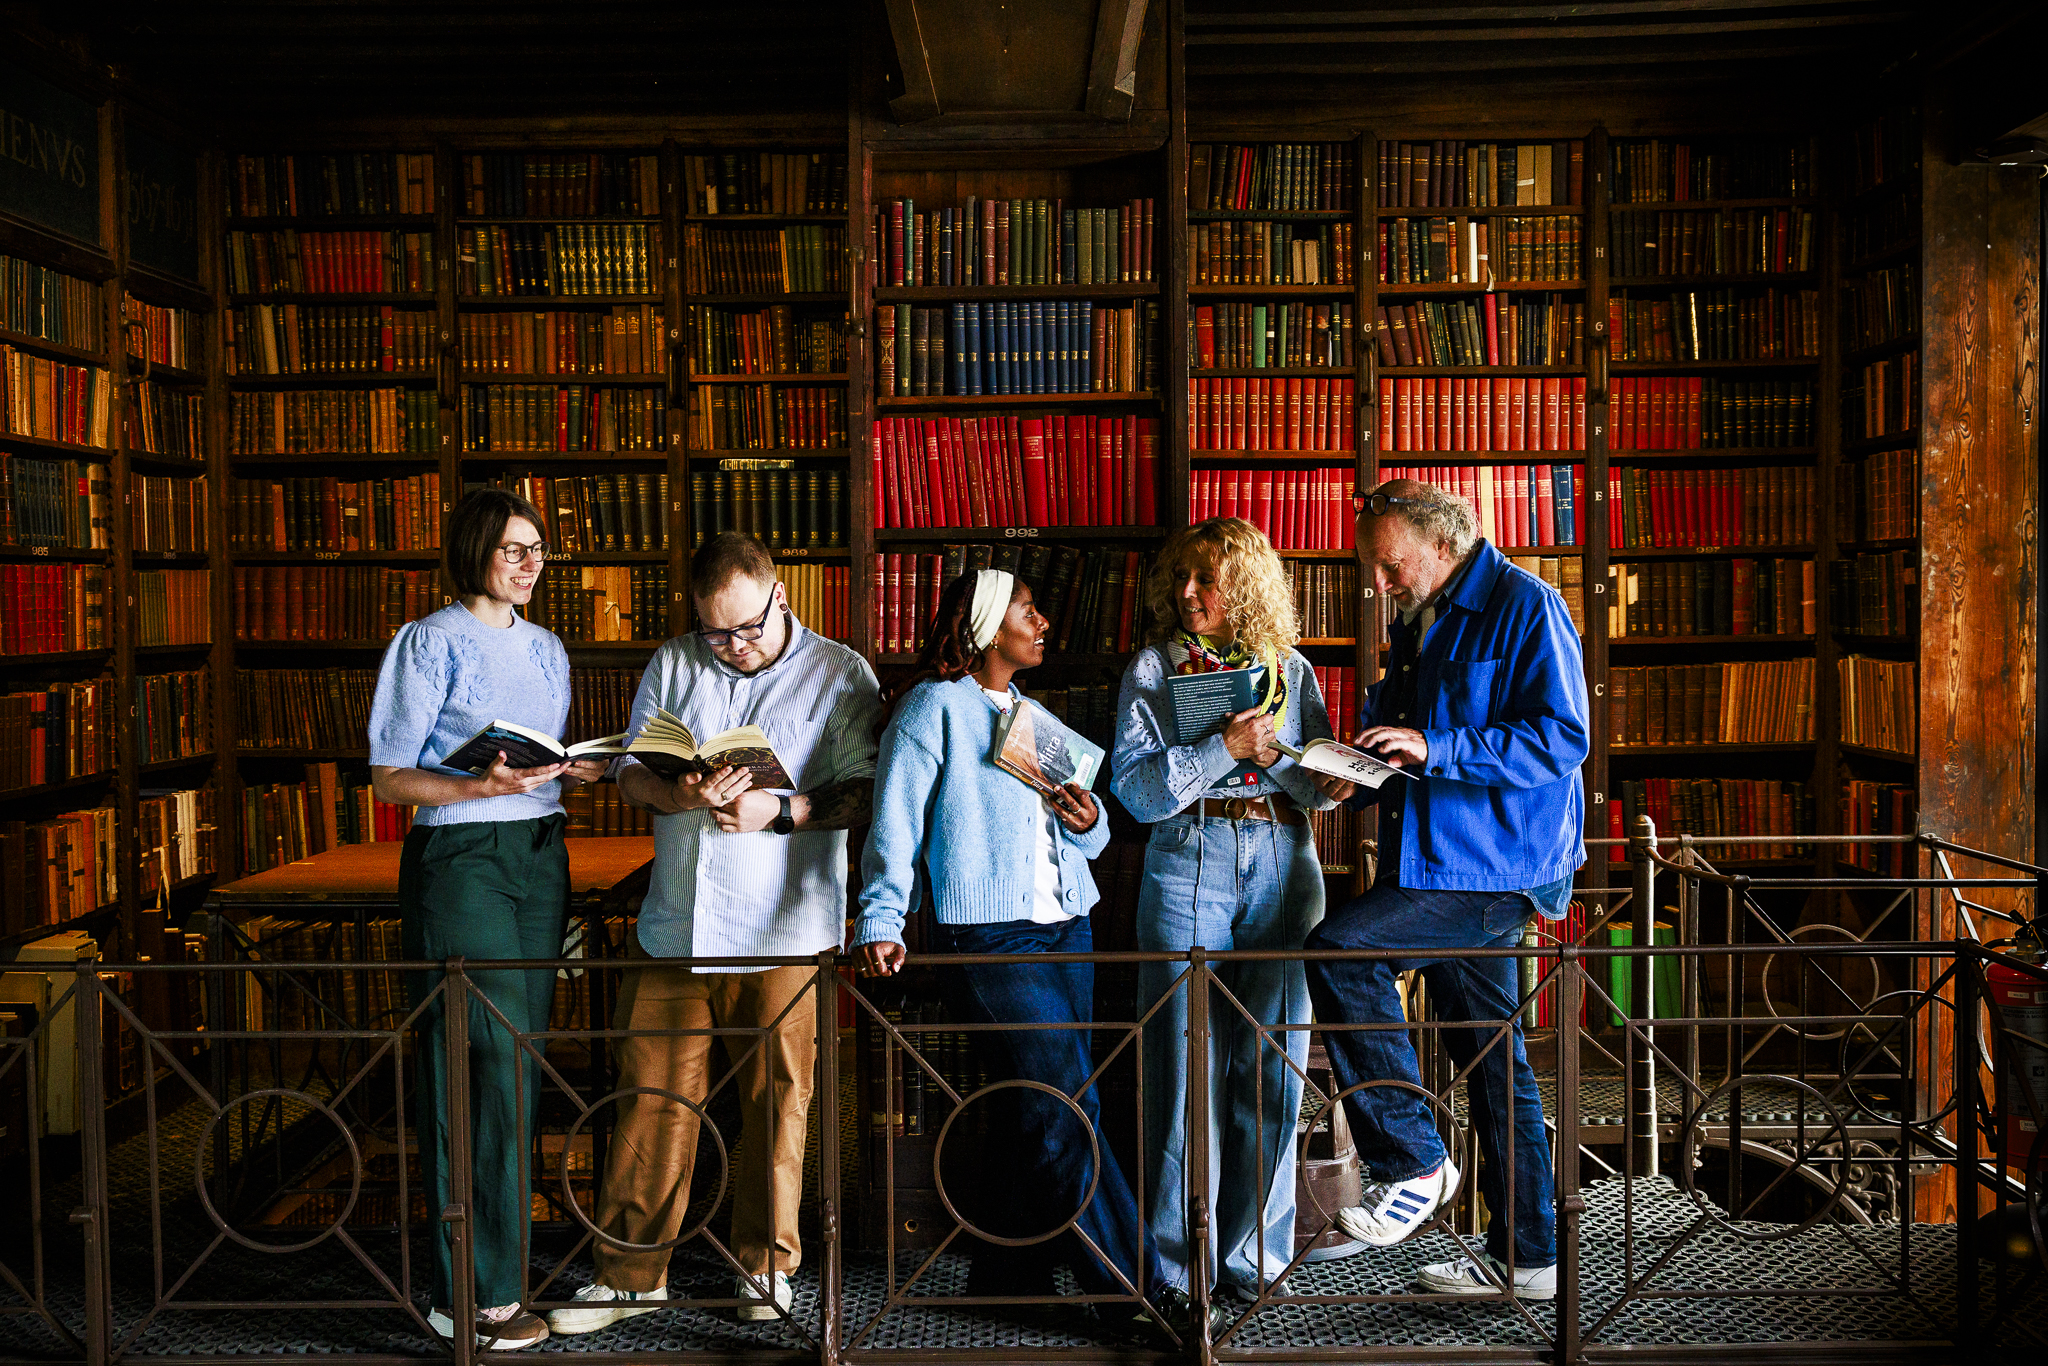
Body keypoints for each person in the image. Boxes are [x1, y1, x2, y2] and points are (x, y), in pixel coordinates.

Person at [548, 533, 880, 1332]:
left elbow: (868, 794)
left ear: (780, 598)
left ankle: (766, 1269)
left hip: (784, 926)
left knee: (777, 1103)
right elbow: (631, 771)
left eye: (747, 629)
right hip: (677, 919)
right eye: (716, 634)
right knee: (650, 1097)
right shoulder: (675, 661)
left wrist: (782, 811)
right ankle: (630, 1275)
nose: (731, 648)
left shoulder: (840, 672)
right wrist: (679, 791)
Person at [850, 568, 1176, 1329]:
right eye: (1030, 612)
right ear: (989, 626)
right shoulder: (934, 708)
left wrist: (1087, 813)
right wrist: (880, 919)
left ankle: (1004, 1276)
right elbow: (894, 822)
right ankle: (1136, 1290)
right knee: (1066, 1101)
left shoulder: (1034, 714)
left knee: (1036, 1106)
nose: (1043, 625)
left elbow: (1090, 837)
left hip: (1068, 924)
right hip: (990, 932)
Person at [1303, 478, 1588, 1302]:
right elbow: (1401, 741)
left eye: (1390, 568)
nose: (1381, 586)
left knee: (1341, 951)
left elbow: (1562, 737)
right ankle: (1529, 1259)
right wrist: (1350, 775)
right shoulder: (1418, 615)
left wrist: (1437, 745)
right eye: (1376, 572)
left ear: (1442, 543)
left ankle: (1412, 1161)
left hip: (1495, 868)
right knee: (1496, 1063)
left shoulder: (1528, 605)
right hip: (1437, 862)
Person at [369, 487, 611, 1349]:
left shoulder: (547, 647)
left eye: (538, 550)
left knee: (520, 1065)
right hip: (461, 860)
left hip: (540, 858)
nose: (530, 563)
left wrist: (572, 772)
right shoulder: (427, 641)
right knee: (471, 1063)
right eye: (513, 549)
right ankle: (466, 1294)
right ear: (474, 551)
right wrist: (478, 786)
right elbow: (391, 775)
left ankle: (496, 1281)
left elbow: (544, 754)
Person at [1109, 516, 1340, 1308]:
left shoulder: (1290, 668)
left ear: (1246, 588)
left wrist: (1316, 773)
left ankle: (1254, 1256)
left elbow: (1314, 781)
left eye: (1207, 579)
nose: (1187, 593)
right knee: (1180, 1063)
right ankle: (1178, 1270)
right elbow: (1137, 792)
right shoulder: (1152, 668)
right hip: (1187, 856)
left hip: (1283, 857)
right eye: (1181, 577)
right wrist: (1223, 751)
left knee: (1273, 1064)